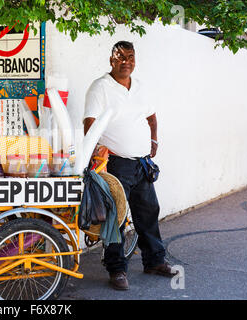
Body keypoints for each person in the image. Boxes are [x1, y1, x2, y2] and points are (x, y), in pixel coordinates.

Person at [83, 41, 178, 291]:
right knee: (116, 218)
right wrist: (94, 153)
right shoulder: (100, 87)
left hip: (141, 163)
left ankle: (154, 261)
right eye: (120, 56)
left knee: (148, 213)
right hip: (114, 164)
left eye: (131, 56)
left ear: (135, 60)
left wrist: (154, 140)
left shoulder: (141, 88)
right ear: (111, 60)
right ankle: (116, 269)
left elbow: (152, 117)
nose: (126, 61)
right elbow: (90, 124)